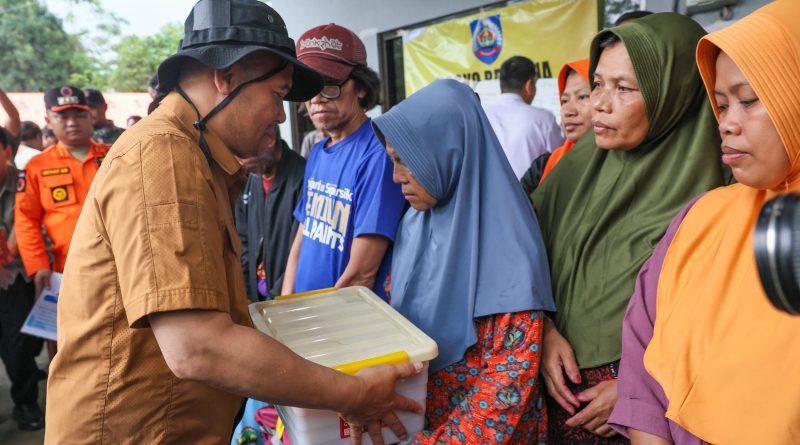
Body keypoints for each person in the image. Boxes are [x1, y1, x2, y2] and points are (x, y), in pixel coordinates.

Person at [44, 3, 422, 444]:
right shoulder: (165, 156)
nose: (282, 116)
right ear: (228, 76)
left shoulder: (197, 158)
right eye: (278, 94)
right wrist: (352, 394)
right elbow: (197, 346)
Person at [531, 13, 731, 444]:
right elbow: (522, 255)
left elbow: (730, 326)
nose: (599, 103)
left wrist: (638, 389)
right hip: (561, 401)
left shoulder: (725, 187)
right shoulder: (580, 165)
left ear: (673, 94)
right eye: (598, 84)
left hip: (652, 419)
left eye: (624, 88)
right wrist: (543, 331)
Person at [609, 2, 800, 444]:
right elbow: (641, 351)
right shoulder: (700, 218)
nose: (727, 124)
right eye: (720, 104)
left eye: (749, 101)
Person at [373, 79, 556, 444]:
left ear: (449, 151)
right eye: (392, 161)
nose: (396, 177)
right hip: (419, 421)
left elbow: (506, 386)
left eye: (404, 161)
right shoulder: (415, 222)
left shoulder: (507, 244)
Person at [281, 23, 405, 300]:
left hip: (343, 322)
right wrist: (286, 301)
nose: (316, 99)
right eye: (309, 88)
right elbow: (304, 231)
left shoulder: (379, 155)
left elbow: (362, 273)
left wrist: (321, 323)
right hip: (306, 315)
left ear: (360, 87)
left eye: (328, 85)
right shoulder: (317, 151)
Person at [14, 86, 110, 299]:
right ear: (48, 120)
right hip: (67, 271)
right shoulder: (37, 166)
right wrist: (38, 265)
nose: (72, 122)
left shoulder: (115, 155)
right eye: (62, 116)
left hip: (121, 264)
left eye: (79, 115)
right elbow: (26, 220)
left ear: (90, 116)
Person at [0, 128, 44, 431]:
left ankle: (26, 403)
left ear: (6, 152)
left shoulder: (23, 180)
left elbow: (27, 221)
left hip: (15, 275)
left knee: (18, 347)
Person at [236, 125, 305, 301]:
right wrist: (247, 293)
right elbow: (243, 242)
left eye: (245, 153)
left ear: (269, 139)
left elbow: (299, 255)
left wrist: (274, 303)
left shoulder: (303, 177)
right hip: (257, 299)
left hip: (286, 301)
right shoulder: (251, 179)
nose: (241, 162)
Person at [483, 55, 563, 180]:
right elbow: (560, 162)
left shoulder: (482, 115)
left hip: (487, 196)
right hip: (529, 197)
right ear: (529, 85)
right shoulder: (544, 119)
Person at [520, 59, 590, 196]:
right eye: (564, 100)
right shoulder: (543, 168)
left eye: (582, 97)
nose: (568, 111)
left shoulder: (622, 168)